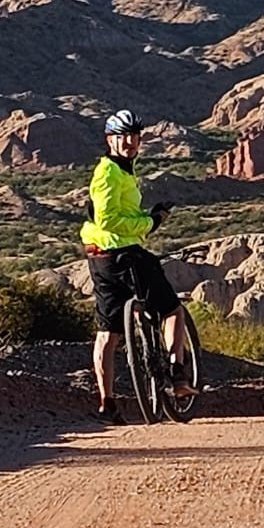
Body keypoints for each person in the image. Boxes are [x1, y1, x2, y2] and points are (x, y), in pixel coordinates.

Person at [83, 109, 191, 422]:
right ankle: (178, 376)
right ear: (110, 140)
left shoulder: (120, 170)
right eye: (123, 137)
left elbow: (115, 214)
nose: (130, 142)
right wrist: (150, 223)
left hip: (99, 257)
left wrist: (148, 217)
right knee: (172, 310)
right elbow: (107, 220)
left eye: (134, 137)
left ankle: (107, 403)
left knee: (108, 332)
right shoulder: (108, 173)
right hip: (123, 255)